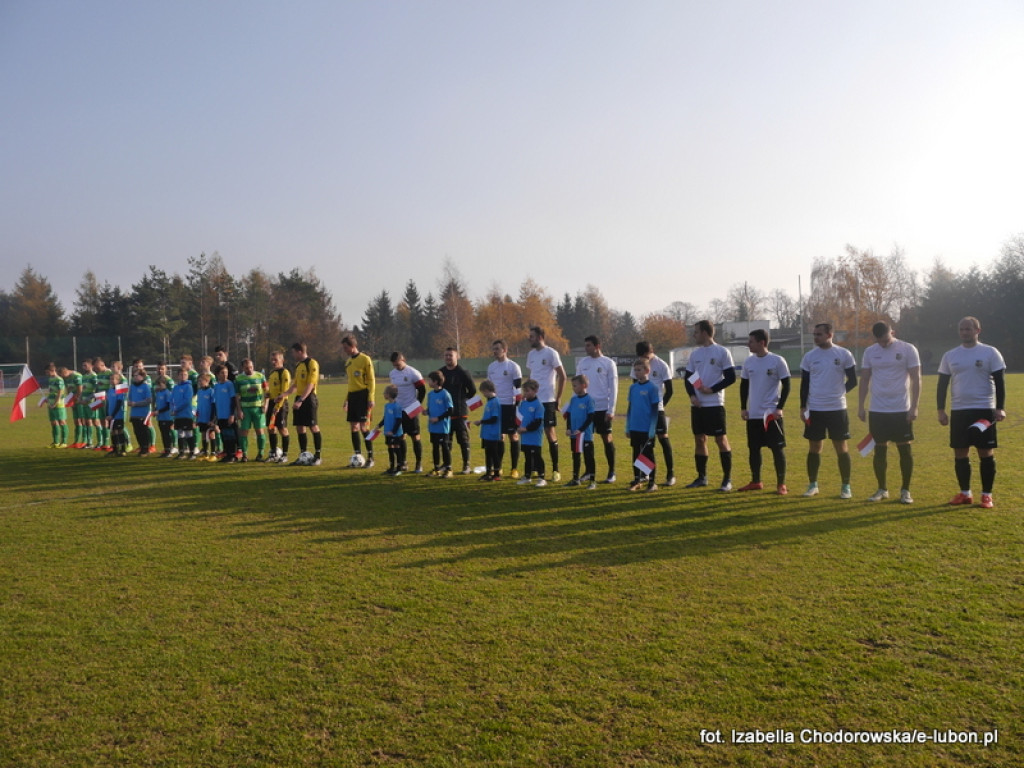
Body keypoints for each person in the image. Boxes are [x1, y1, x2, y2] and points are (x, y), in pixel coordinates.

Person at [937, 316, 1006, 509]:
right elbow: (942, 384)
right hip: (959, 411)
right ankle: (965, 493)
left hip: (983, 410)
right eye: (962, 329)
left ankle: (986, 495)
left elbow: (1000, 382)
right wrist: (941, 410)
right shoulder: (950, 355)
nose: (965, 332)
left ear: (978, 331)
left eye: (968, 329)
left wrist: (1000, 407)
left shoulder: (990, 352)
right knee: (960, 452)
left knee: (985, 452)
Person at [857, 321, 922, 504]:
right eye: (880, 341)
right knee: (879, 450)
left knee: (904, 450)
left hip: (901, 409)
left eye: (886, 340)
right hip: (878, 410)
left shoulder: (908, 349)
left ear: (892, 332)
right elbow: (864, 379)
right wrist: (861, 406)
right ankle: (882, 489)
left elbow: (916, 379)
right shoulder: (870, 352)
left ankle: (905, 491)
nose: (883, 344)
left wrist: (914, 406)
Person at [799, 322, 857, 498]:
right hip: (815, 409)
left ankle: (846, 486)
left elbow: (853, 381)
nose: (815, 337)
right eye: (814, 334)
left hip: (837, 408)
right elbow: (805, 384)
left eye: (819, 334)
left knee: (841, 446)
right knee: (814, 446)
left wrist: (839, 393)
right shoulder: (809, 357)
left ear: (830, 335)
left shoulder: (844, 354)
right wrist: (803, 407)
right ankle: (813, 485)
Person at [682, 323, 736, 491]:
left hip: (715, 404)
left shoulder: (722, 352)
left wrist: (711, 389)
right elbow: (689, 377)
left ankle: (727, 480)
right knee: (699, 439)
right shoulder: (695, 354)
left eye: (696, 332)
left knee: (720, 440)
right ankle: (701, 477)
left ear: (705, 333)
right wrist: (692, 395)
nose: (694, 335)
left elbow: (731, 377)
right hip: (698, 405)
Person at [738, 329, 791, 495]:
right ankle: (756, 481)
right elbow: (744, 386)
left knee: (777, 449)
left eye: (751, 341)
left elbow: (787, 385)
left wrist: (779, 407)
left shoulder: (777, 361)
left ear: (762, 342)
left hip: (770, 415)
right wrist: (743, 407)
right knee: (753, 449)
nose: (748, 344)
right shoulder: (749, 362)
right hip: (753, 414)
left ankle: (781, 484)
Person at [574, 335, 618, 483]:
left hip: (602, 408)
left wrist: (611, 409)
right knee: (586, 440)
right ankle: (588, 472)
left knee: (606, 438)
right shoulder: (582, 363)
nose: (586, 348)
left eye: (589, 345)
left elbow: (614, 388)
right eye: (585, 345)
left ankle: (611, 472)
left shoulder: (608, 363)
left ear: (597, 346)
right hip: (586, 409)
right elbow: (577, 385)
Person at [526, 326, 567, 482]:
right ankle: (536, 468)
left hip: (548, 400)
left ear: (540, 337)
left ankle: (556, 470)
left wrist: (558, 398)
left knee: (550, 434)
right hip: (533, 401)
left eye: (532, 336)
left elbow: (563, 376)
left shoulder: (551, 353)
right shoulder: (530, 355)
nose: (529, 339)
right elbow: (531, 377)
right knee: (533, 435)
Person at [635, 340, 676, 486]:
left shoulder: (661, 365)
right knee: (644, 443)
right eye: (639, 356)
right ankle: (645, 473)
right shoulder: (638, 365)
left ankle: (670, 474)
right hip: (642, 412)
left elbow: (670, 391)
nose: (642, 359)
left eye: (644, 356)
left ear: (650, 352)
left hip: (656, 410)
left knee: (663, 440)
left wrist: (660, 406)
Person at [281, 342, 322, 466]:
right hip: (300, 397)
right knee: (299, 426)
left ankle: (318, 456)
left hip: (309, 398)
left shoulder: (312, 363)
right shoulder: (299, 366)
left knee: (313, 426)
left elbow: (311, 384)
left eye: (293, 352)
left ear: (299, 351)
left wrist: (301, 400)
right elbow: (295, 385)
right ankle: (303, 455)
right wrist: (283, 395)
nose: (292, 355)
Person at [487, 339, 523, 478]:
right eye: (493, 349)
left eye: (497, 348)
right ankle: (498, 467)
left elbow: (518, 388)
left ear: (505, 350)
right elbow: (489, 387)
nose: (495, 351)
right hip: (496, 405)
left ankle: (514, 468)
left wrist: (517, 407)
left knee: (513, 435)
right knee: (499, 437)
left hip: (510, 405)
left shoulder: (513, 367)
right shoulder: (491, 367)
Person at [627, 358, 662, 492]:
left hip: (646, 428)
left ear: (647, 371)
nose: (636, 373)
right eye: (635, 370)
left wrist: (652, 429)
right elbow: (630, 408)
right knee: (636, 454)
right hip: (635, 427)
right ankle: (637, 479)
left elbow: (655, 410)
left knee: (648, 454)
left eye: (639, 370)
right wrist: (627, 427)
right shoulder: (633, 387)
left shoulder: (652, 388)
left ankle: (652, 482)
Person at [389, 352, 427, 472]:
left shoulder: (413, 373)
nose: (397, 367)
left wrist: (417, 404)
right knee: (400, 436)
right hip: (398, 410)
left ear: (403, 360)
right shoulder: (392, 374)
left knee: (415, 436)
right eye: (395, 365)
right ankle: (403, 463)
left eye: (398, 364)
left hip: (411, 408)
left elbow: (422, 390)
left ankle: (418, 463)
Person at [441, 347, 477, 474]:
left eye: (450, 355)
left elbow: (472, 390)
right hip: (445, 413)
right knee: (446, 439)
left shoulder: (463, 372)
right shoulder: (441, 372)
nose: (448, 358)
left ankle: (466, 465)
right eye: (446, 355)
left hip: (460, 413)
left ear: (457, 357)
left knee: (463, 439)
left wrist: (463, 400)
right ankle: (446, 464)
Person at [343, 334, 376, 467]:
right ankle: (357, 456)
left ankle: (370, 457)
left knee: (364, 427)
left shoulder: (365, 359)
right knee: (353, 427)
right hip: (352, 396)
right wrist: (347, 399)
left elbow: (371, 380)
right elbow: (351, 382)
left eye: (346, 347)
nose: (344, 350)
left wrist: (371, 397)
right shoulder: (348, 362)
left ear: (353, 346)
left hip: (363, 395)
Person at [565, 374, 597, 489]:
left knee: (589, 457)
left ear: (584, 386)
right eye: (573, 386)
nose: (574, 388)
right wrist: (568, 428)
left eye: (575, 385)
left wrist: (581, 430)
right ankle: (575, 479)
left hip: (585, 435)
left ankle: (592, 481)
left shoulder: (589, 400)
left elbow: (591, 417)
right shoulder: (573, 400)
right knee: (576, 456)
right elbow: (568, 415)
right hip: (574, 435)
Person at [236, 357, 269, 462]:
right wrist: (239, 410)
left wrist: (265, 405)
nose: (249, 369)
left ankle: (260, 453)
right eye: (246, 368)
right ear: (242, 368)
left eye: (251, 367)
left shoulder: (260, 376)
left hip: (258, 408)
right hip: (245, 408)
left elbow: (267, 393)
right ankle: (244, 454)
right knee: (244, 431)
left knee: (260, 430)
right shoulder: (238, 379)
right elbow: (237, 396)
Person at [516, 379, 548, 487]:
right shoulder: (523, 404)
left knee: (537, 456)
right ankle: (527, 476)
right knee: (527, 456)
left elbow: (538, 422)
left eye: (528, 391)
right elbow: (519, 418)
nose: (525, 393)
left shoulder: (538, 405)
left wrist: (525, 429)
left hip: (534, 437)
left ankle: (541, 477)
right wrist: (518, 427)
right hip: (525, 437)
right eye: (524, 391)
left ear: (535, 391)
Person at [474, 379, 504, 481]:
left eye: (483, 392)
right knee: (488, 453)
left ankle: (496, 474)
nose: (483, 394)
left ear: (487, 390)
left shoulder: (495, 402)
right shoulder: (490, 401)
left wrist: (481, 422)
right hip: (487, 433)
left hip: (493, 433)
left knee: (493, 454)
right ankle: (488, 473)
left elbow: (494, 418)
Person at [426, 370, 454, 478]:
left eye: (430, 380)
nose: (428, 382)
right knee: (435, 447)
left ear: (436, 381)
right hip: (433, 427)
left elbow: (450, 410)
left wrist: (438, 418)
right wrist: (426, 412)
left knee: (445, 447)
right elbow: (431, 408)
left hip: (442, 427)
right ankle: (436, 468)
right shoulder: (430, 394)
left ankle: (449, 468)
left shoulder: (445, 394)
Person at [266, 350, 291, 463]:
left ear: (282, 360)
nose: (273, 362)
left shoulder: (284, 373)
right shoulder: (272, 373)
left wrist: (278, 406)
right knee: (271, 428)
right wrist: (268, 394)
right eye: (272, 360)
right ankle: (273, 453)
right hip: (271, 403)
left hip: (281, 405)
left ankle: (285, 454)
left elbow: (284, 391)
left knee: (282, 429)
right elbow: (273, 390)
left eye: (275, 359)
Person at [213, 364, 239, 463]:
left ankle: (233, 455)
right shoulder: (216, 386)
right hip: (221, 415)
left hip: (229, 415)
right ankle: (227, 454)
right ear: (217, 374)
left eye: (226, 373)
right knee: (224, 435)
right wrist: (215, 416)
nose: (225, 375)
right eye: (222, 373)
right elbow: (216, 402)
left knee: (231, 436)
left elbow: (233, 400)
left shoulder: (229, 384)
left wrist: (232, 414)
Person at [379, 384, 406, 476]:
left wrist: (393, 431)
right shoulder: (387, 406)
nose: (383, 394)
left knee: (397, 449)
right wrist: (378, 426)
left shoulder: (397, 406)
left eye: (385, 393)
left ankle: (399, 468)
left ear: (389, 394)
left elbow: (399, 420)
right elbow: (385, 418)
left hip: (395, 433)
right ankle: (391, 467)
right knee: (390, 448)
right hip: (388, 432)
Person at [171, 366, 197, 459]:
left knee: (188, 433)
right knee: (180, 433)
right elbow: (172, 400)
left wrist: (176, 409)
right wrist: (172, 409)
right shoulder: (175, 387)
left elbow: (187, 401)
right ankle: (181, 452)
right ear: (178, 376)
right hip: (178, 415)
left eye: (185, 374)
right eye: (181, 374)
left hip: (186, 414)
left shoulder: (188, 387)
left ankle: (192, 452)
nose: (183, 376)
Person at [127, 368, 153, 456]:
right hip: (134, 414)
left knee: (143, 431)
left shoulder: (146, 386)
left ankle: (146, 449)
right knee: (136, 431)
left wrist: (136, 404)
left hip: (143, 413)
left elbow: (149, 400)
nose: (135, 377)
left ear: (142, 376)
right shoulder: (132, 386)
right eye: (134, 375)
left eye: (136, 375)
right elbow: (129, 398)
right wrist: (129, 402)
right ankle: (141, 447)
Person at [45, 362, 68, 448]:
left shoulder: (59, 380)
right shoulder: (50, 379)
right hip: (50, 404)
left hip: (59, 405)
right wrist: (47, 399)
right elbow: (51, 391)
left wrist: (55, 403)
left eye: (47, 372)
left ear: (53, 370)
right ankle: (56, 442)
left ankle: (64, 442)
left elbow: (60, 393)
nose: (46, 374)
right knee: (53, 422)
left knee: (62, 422)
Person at [106, 372, 128, 457]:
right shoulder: (110, 390)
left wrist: (113, 414)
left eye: (113, 379)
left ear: (118, 380)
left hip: (118, 415)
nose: (111, 380)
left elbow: (119, 404)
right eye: (110, 379)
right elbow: (107, 403)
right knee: (112, 432)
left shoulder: (120, 390)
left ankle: (123, 449)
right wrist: (107, 414)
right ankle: (115, 449)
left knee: (119, 431)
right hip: (110, 416)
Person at [92, 358, 113, 451]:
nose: (95, 369)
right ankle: (104, 443)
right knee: (102, 421)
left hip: (108, 401)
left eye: (96, 367)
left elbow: (113, 386)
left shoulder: (110, 373)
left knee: (109, 422)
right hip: (100, 400)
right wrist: (95, 397)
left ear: (102, 364)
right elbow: (98, 387)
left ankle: (109, 443)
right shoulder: (99, 374)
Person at [195, 372, 216, 460]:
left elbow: (213, 405)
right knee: (204, 434)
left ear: (207, 381)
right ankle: (205, 453)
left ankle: (213, 453)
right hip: (201, 418)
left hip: (209, 417)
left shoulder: (211, 391)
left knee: (211, 434)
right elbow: (199, 405)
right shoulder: (199, 392)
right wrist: (197, 417)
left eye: (201, 381)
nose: (200, 383)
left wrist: (212, 419)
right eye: (199, 381)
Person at [154, 375, 175, 457]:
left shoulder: (167, 393)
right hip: (160, 417)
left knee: (167, 434)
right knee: (163, 434)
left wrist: (158, 411)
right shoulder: (158, 393)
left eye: (160, 384)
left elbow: (167, 406)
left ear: (164, 384)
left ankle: (169, 450)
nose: (159, 386)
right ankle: (166, 450)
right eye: (158, 385)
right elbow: (158, 404)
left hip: (167, 417)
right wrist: (155, 409)